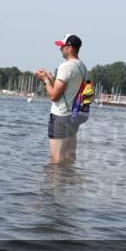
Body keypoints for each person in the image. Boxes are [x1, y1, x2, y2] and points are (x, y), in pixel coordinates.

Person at [34, 34, 88, 164]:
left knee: (56, 160)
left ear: (70, 48)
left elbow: (54, 96)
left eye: (62, 46)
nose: (60, 49)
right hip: (74, 117)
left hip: (61, 115)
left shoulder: (66, 66)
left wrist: (45, 80)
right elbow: (67, 90)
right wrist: (50, 78)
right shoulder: (83, 67)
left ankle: (56, 178)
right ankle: (67, 178)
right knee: (69, 159)